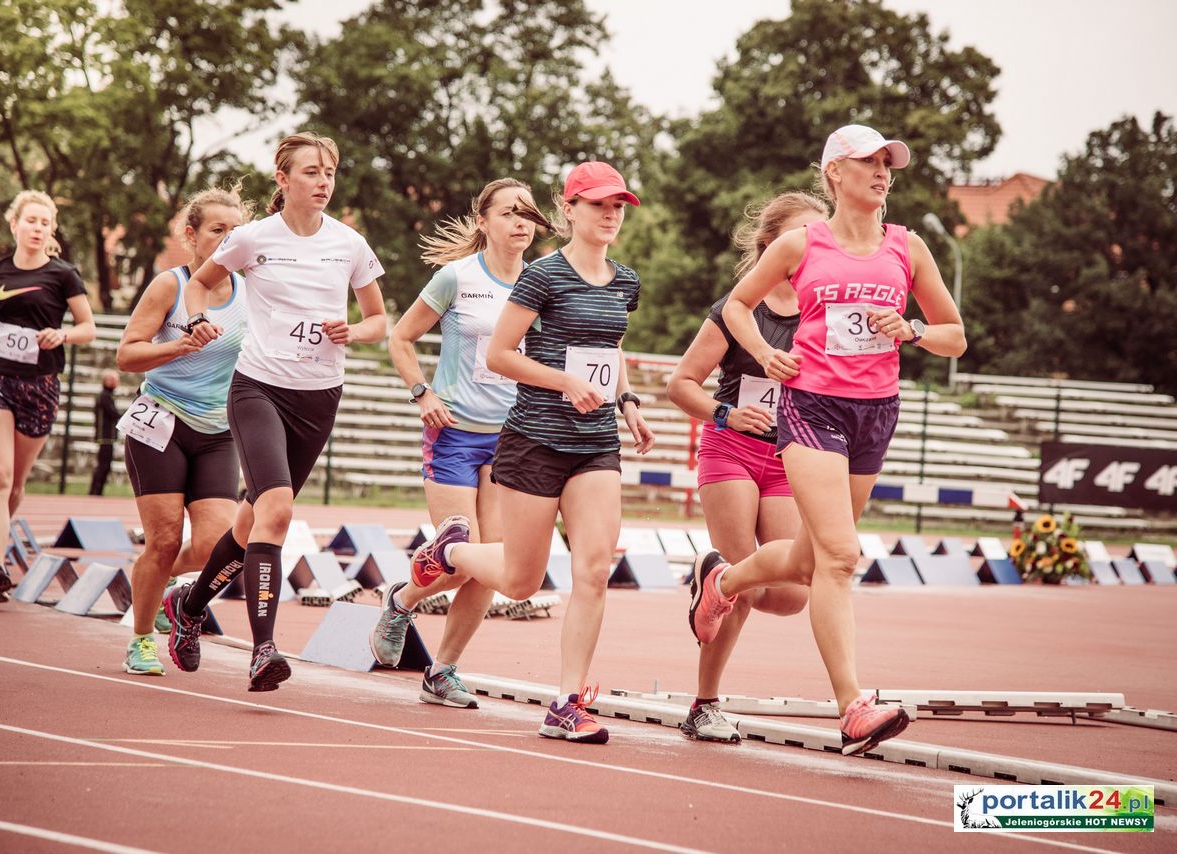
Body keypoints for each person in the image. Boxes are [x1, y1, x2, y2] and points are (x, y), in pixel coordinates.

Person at [687, 125, 966, 756]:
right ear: (834, 172)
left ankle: (723, 584)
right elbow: (736, 306)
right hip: (813, 409)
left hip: (876, 412)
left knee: (811, 559)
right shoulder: (800, 243)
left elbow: (956, 335)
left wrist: (912, 330)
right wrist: (763, 351)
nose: (882, 173)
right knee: (840, 557)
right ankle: (853, 706)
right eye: (868, 163)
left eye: (887, 164)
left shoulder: (908, 248)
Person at [407, 162, 655, 744]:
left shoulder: (626, 281)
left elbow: (610, 348)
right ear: (568, 209)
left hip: (595, 446)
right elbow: (498, 355)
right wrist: (562, 382)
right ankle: (456, 551)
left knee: (593, 569)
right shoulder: (542, 277)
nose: (610, 215)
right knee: (520, 580)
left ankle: (566, 702)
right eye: (597, 205)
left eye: (618, 206)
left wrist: (628, 402)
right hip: (534, 440)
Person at [163, 132, 388, 692]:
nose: (323, 182)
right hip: (259, 389)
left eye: (330, 172)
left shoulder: (350, 244)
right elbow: (199, 286)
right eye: (311, 172)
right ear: (283, 180)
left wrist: (354, 330)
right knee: (279, 512)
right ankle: (263, 649)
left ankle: (188, 607)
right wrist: (197, 320)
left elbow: (379, 319)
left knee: (251, 522)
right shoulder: (252, 238)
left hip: (319, 397)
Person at [665, 192, 826, 742]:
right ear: (770, 243)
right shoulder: (738, 307)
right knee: (743, 583)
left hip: (789, 457)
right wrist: (727, 414)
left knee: (790, 590)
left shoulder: (822, 312)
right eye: (802, 233)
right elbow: (680, 385)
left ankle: (715, 582)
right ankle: (704, 704)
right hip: (731, 449)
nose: (812, 245)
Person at [374, 178, 540, 708]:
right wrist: (422, 392)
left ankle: (441, 670)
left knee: (495, 562)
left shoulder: (543, 282)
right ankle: (402, 602)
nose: (521, 222)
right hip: (454, 434)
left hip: (512, 437)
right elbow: (400, 338)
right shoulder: (456, 278)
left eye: (528, 214)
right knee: (456, 558)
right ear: (483, 221)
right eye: (510, 213)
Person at [114, 185, 250, 676]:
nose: (228, 239)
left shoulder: (251, 290)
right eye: (218, 230)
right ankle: (142, 639)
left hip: (219, 429)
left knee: (220, 547)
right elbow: (127, 354)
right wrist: (180, 346)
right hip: (161, 420)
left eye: (237, 232)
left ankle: (171, 596)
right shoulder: (169, 285)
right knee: (165, 540)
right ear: (191, 235)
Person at [0, 190, 96, 602]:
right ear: (14, 224)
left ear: (51, 230)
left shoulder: (63, 274)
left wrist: (63, 333)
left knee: (15, 482)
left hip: (40, 385)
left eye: (45, 222)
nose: (37, 228)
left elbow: (89, 327)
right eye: (30, 220)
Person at [89, 369, 121, 495]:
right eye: (113, 380)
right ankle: (95, 491)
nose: (116, 382)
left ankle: (97, 491)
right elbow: (113, 414)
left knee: (105, 465)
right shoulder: (104, 396)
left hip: (109, 437)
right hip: (105, 436)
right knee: (103, 465)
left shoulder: (107, 396)